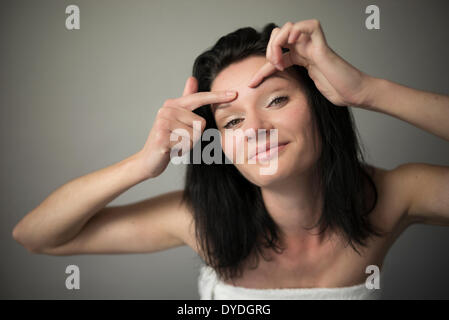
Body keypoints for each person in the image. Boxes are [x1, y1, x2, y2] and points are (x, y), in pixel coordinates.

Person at [12, 20, 449, 300]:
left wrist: (367, 90)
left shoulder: (393, 195)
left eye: (276, 100)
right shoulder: (201, 221)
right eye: (233, 120)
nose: (256, 127)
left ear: (322, 106)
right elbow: (36, 236)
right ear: (221, 143)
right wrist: (144, 164)